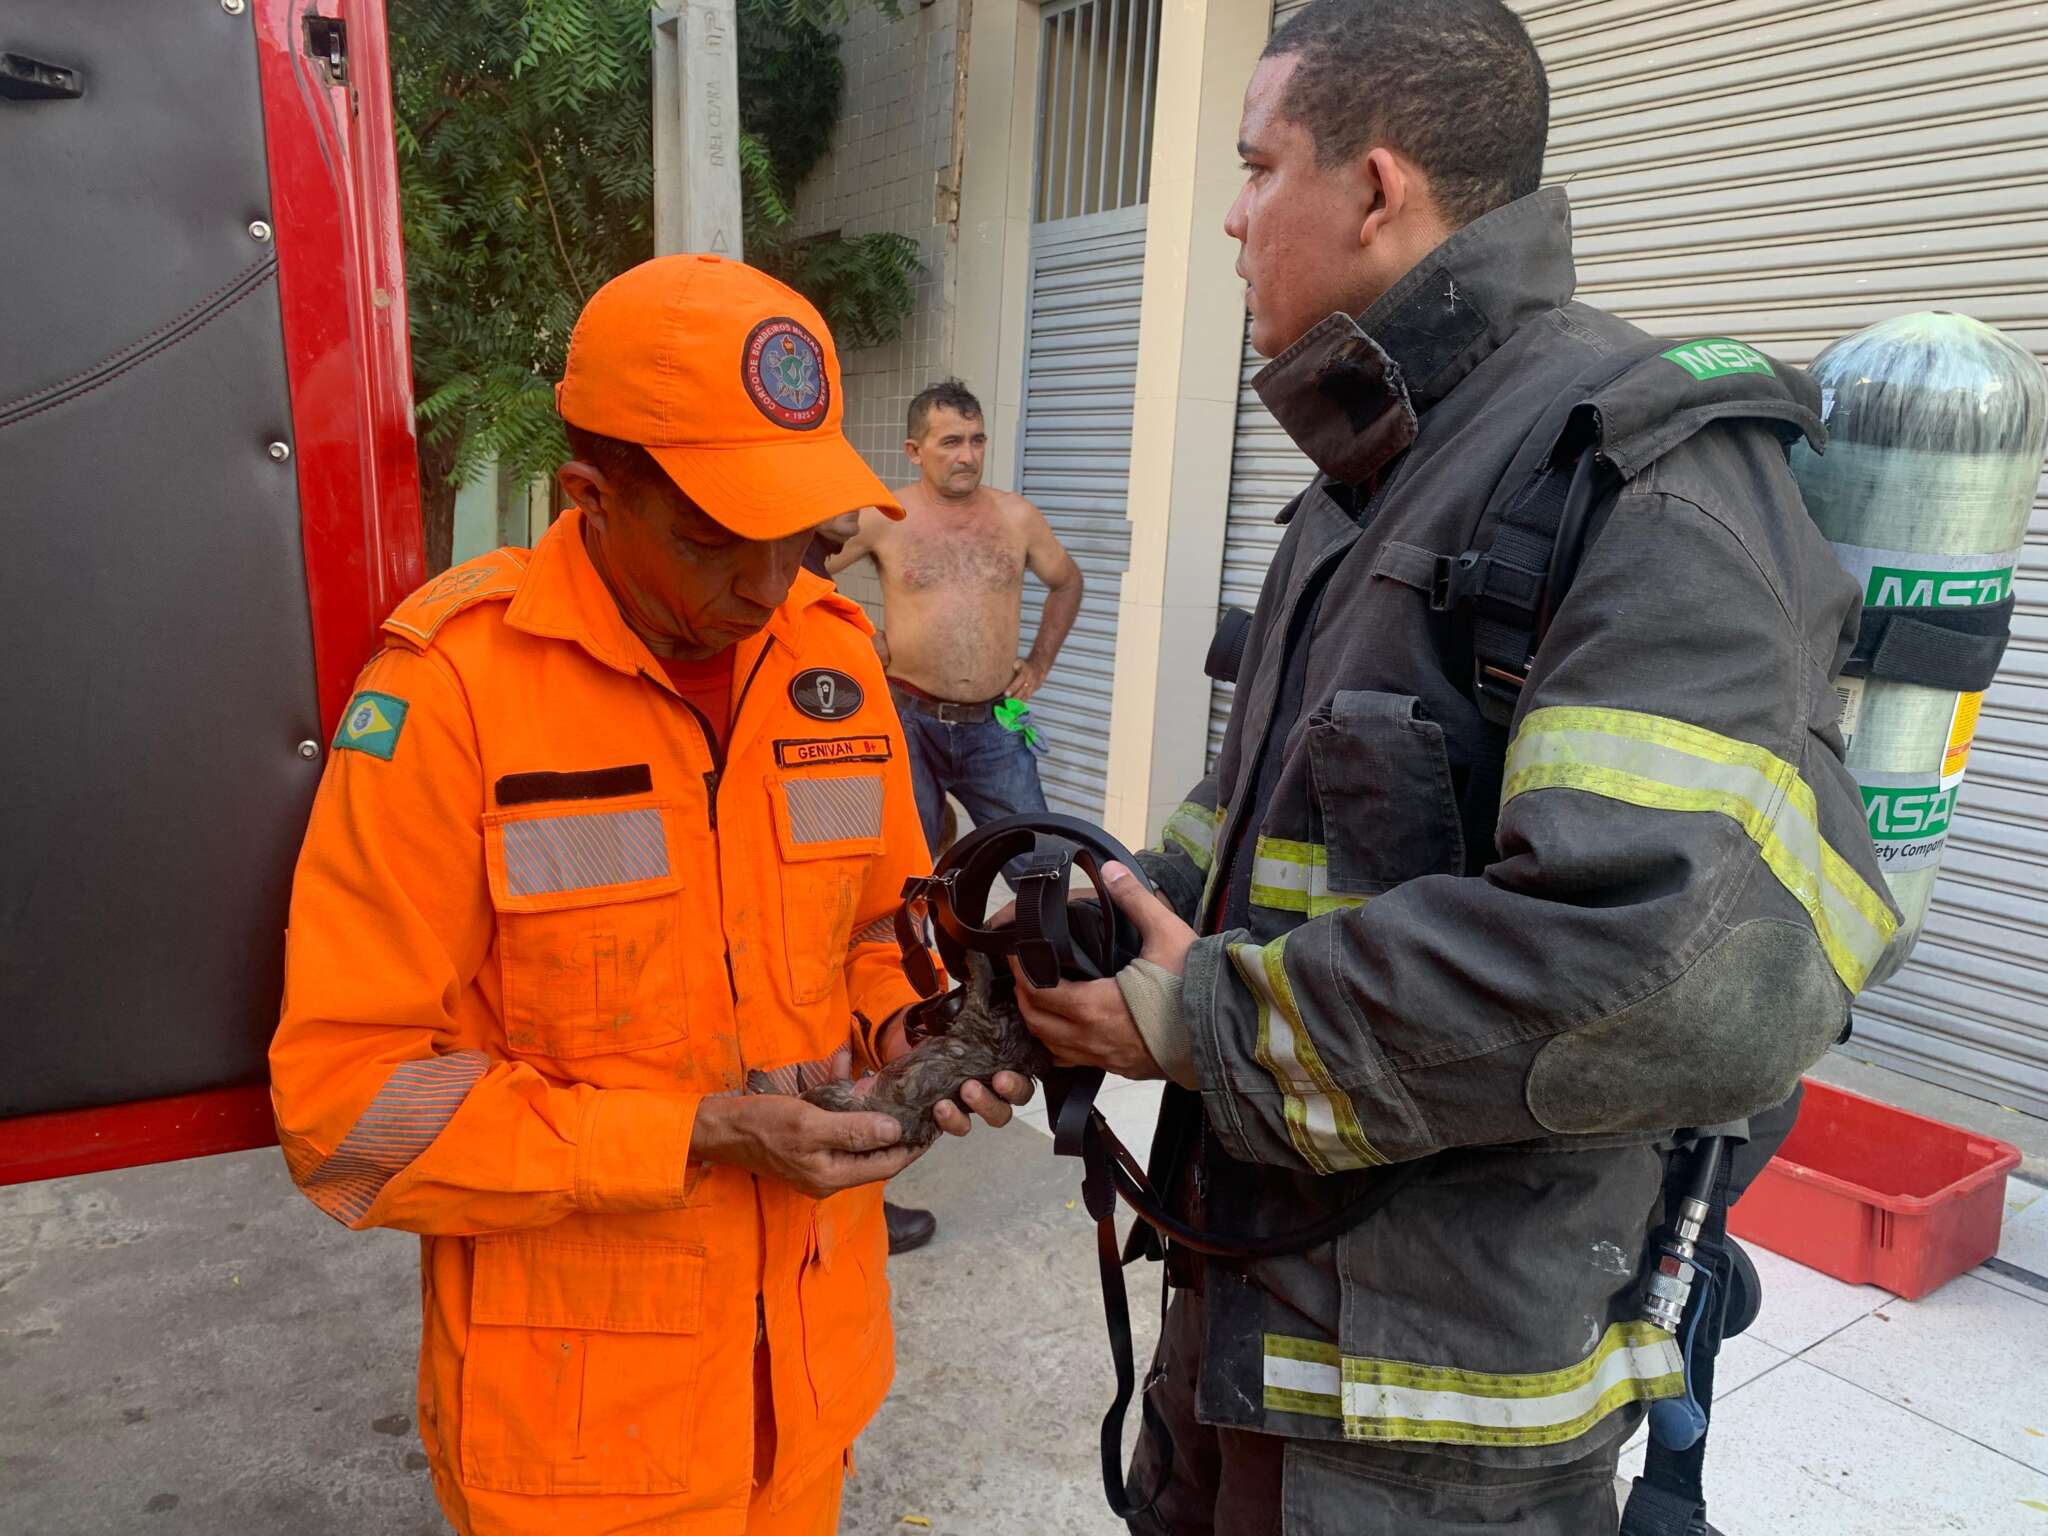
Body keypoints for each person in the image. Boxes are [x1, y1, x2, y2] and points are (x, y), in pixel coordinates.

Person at [1008, 3, 1901, 1532]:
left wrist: (1205, 1017)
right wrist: (1113, 913)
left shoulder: (1644, 473)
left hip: (1438, 1435)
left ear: (1374, 189)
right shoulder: (1363, 484)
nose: (1226, 215)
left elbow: (1662, 963)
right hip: (1249, 1339)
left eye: (1254, 165)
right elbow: (1260, 832)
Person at [268, 255, 1030, 1536]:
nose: (766, 583)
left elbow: (873, 928)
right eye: (712, 541)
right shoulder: (453, 691)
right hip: (581, 1444)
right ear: (589, 496)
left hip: (807, 1397)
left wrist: (907, 1030)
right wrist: (694, 1134)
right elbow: (347, 1109)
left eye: (794, 537)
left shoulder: (826, 666)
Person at [827, 380, 1083, 857]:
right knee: (905, 871)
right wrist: (853, 637)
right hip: (908, 723)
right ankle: (913, 935)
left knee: (1038, 868)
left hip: (994, 726)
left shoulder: (1017, 516)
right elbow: (802, 572)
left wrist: (1040, 662)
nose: (967, 456)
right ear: (914, 450)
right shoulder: (885, 516)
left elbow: (1066, 582)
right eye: (951, 442)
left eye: (976, 440)